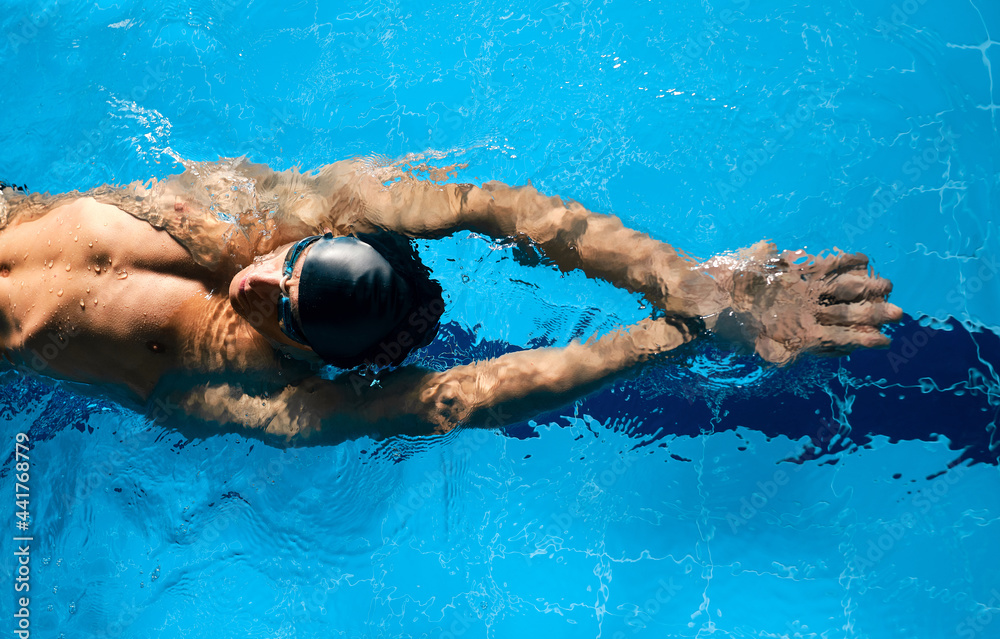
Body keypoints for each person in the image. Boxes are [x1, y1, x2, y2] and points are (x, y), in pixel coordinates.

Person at [0, 157, 902, 445]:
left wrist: (682, 333)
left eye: (287, 307)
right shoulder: (268, 217)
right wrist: (694, 284)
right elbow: (494, 206)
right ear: (322, 238)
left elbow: (465, 394)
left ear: (314, 351)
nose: (259, 283)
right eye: (290, 266)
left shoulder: (272, 394)